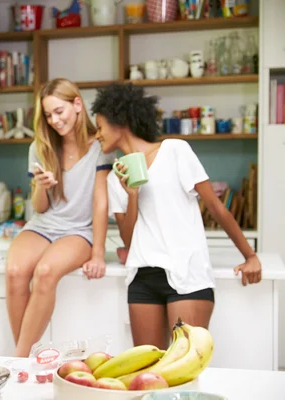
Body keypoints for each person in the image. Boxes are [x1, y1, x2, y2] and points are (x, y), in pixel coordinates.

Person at [91, 83, 262, 350]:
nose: (96, 135)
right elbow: (128, 239)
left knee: (185, 371)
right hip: (142, 280)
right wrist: (132, 195)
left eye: (99, 126)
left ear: (120, 120)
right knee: (148, 373)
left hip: (187, 276)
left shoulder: (174, 150)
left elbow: (217, 208)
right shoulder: (115, 178)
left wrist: (250, 256)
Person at [5, 78, 115, 357]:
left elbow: (100, 202)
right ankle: (28, 358)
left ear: (77, 104)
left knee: (44, 273)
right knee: (15, 271)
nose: (54, 120)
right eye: (49, 114)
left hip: (78, 231)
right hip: (42, 226)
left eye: (59, 111)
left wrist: (98, 254)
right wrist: (42, 185)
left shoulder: (100, 147)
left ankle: (19, 359)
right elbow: (40, 208)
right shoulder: (39, 148)